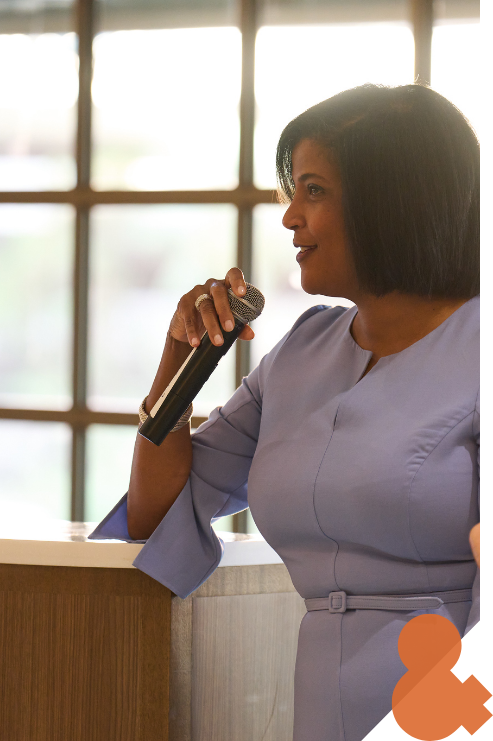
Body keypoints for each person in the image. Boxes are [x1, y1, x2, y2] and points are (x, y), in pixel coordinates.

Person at [89, 82, 481, 740]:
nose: (288, 216)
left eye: (314, 190)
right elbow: (159, 512)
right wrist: (180, 358)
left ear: (390, 198)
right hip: (320, 710)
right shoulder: (301, 351)